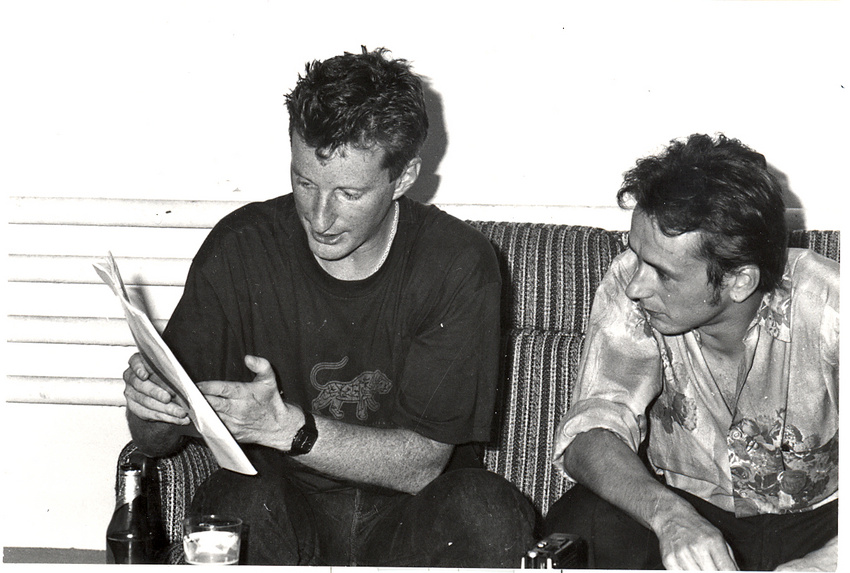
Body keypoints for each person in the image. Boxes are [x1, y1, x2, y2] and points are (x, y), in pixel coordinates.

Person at [122, 47, 536, 566]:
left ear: (404, 177)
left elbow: (422, 466)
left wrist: (285, 428)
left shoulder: (458, 264)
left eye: (349, 193)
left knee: (488, 510)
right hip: (284, 509)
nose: (320, 217)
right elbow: (156, 441)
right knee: (232, 501)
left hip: (415, 516)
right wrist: (151, 409)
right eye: (304, 182)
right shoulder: (242, 246)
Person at [544, 134, 838, 571]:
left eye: (663, 274)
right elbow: (590, 432)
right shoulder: (632, 283)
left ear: (739, 281)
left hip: (822, 521)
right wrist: (671, 518)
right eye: (636, 256)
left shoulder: (832, 306)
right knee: (580, 523)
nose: (635, 285)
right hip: (689, 507)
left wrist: (817, 566)